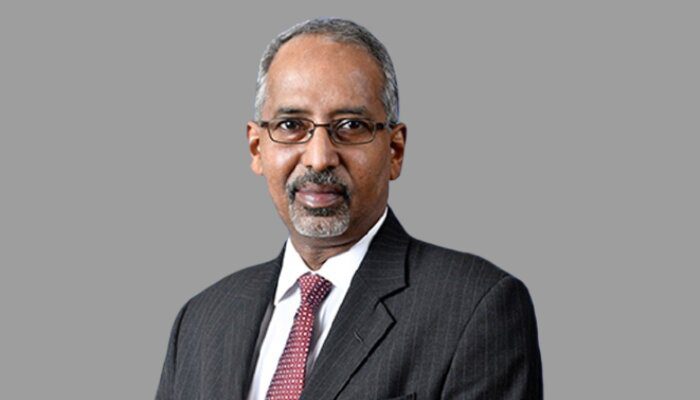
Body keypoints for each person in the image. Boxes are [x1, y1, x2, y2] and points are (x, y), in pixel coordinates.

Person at [156, 18, 542, 400]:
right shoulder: (200, 321)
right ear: (257, 148)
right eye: (291, 125)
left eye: (351, 126)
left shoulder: (474, 308)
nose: (319, 158)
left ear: (395, 151)